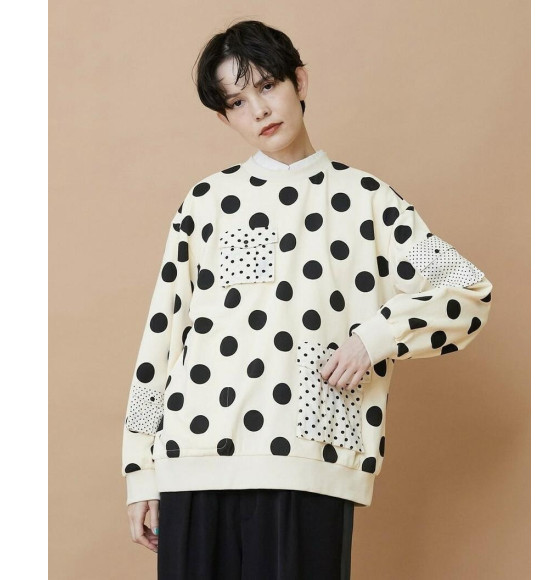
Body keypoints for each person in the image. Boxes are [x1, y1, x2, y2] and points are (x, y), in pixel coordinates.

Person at [121, 19, 493, 579]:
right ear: (225, 117)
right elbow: (162, 336)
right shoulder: (206, 202)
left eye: (268, 86)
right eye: (238, 102)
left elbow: (468, 293)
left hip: (311, 454)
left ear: (299, 81)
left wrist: (375, 339)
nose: (259, 110)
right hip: (193, 457)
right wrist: (139, 470)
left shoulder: (367, 199)